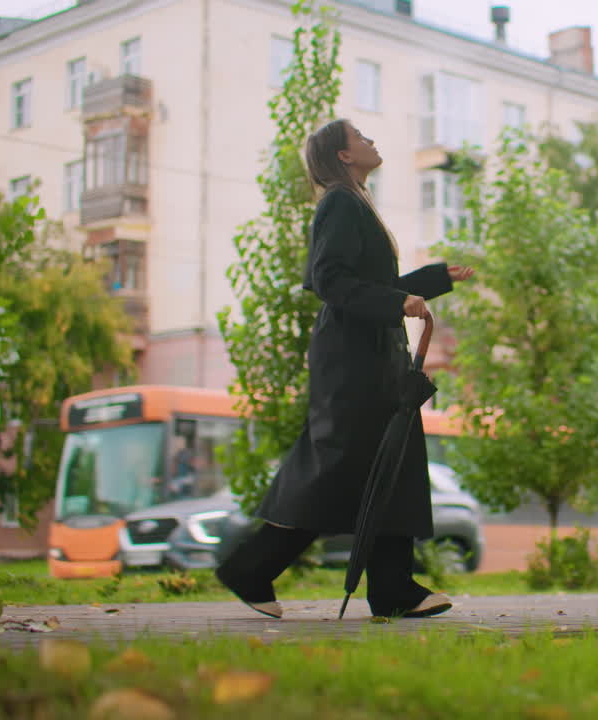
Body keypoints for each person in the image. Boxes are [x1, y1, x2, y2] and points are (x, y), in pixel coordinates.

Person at [216, 119, 476, 620]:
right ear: (342, 155)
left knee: (387, 463)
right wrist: (400, 300)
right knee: (341, 469)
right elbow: (330, 279)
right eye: (361, 137)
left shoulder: (356, 201)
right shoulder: (339, 202)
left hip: (370, 353)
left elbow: (368, 282)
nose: (372, 141)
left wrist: (431, 279)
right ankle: (252, 568)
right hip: (352, 360)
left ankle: (392, 587)